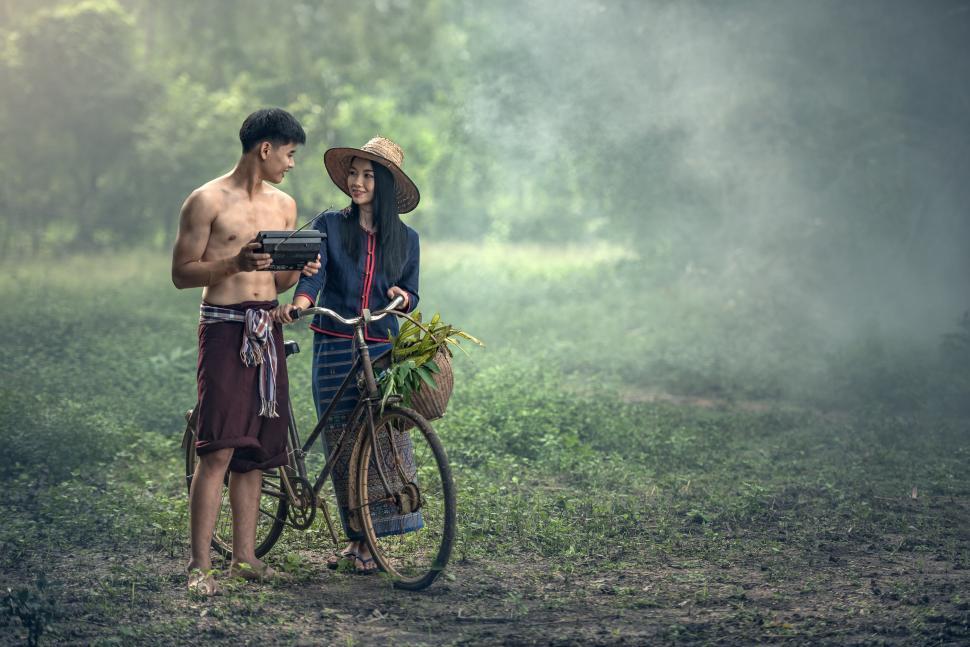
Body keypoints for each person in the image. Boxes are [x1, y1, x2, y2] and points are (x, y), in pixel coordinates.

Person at [171, 108, 320, 596]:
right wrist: (233, 261)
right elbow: (181, 273)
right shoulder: (206, 199)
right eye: (289, 153)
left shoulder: (285, 206)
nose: (291, 164)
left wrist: (299, 269)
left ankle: (245, 559)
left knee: (253, 451)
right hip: (224, 328)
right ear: (265, 149)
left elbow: (275, 281)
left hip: (267, 325)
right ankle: (199, 566)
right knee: (219, 447)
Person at [275, 136, 421, 574]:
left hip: (381, 346)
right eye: (352, 173)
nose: (356, 183)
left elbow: (412, 291)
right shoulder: (330, 225)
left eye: (367, 175)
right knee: (341, 442)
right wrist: (301, 304)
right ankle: (359, 539)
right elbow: (312, 277)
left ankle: (376, 536)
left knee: (382, 439)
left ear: (387, 185)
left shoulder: (407, 239)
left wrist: (403, 298)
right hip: (335, 341)